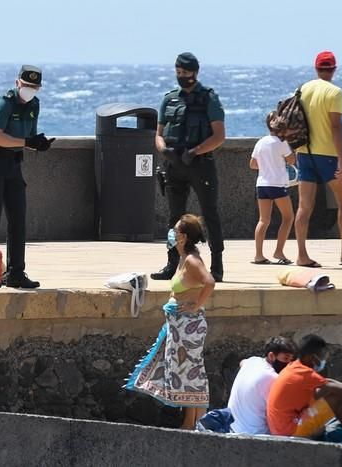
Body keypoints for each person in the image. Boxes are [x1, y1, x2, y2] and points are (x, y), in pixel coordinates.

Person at [126, 214, 216, 430]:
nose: (171, 234)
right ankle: (189, 422)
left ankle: (190, 423)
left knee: (190, 371)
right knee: (184, 371)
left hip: (188, 326)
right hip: (179, 326)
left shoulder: (193, 260)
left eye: (175, 231)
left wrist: (196, 305)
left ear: (183, 236)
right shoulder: (183, 258)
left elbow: (210, 282)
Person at [0, 65, 55, 289]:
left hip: (13, 163)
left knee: (18, 218)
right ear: (17, 82)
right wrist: (27, 143)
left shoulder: (34, 105)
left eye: (34, 87)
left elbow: (26, 138)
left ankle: (16, 272)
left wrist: (38, 144)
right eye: (26, 85)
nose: (29, 90)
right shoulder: (3, 103)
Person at [151, 52, 226, 283]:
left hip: (200, 165)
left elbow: (219, 136)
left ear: (195, 72)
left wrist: (194, 152)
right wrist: (164, 151)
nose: (181, 77)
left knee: (209, 213)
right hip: (174, 166)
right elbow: (159, 134)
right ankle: (172, 263)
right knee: (174, 217)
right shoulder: (170, 99)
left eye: (185, 73)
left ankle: (217, 265)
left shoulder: (208, 99)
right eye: (178, 73)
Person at [295, 51, 342, 267]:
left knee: (304, 207)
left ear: (316, 68)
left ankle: (302, 255)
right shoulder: (335, 92)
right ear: (334, 69)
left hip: (304, 153)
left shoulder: (302, 89)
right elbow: (336, 127)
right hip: (328, 155)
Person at [250, 111, 296, 265]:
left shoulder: (261, 142)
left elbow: (253, 164)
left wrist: (266, 165)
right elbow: (291, 160)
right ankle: (279, 251)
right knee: (288, 217)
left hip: (262, 184)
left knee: (263, 220)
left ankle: (258, 255)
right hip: (277, 184)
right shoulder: (281, 143)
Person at [227, 336, 297, 434]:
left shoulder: (252, 361)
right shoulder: (273, 378)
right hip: (255, 434)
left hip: (231, 427)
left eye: (291, 360)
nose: (289, 364)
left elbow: (242, 362)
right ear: (271, 356)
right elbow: (282, 414)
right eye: (285, 359)